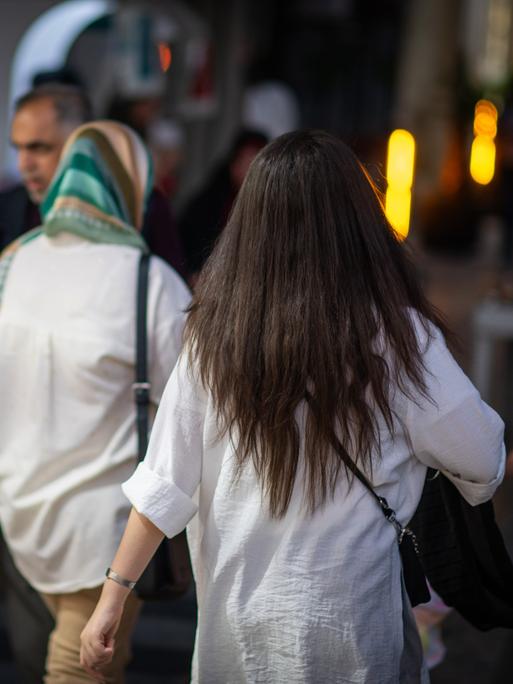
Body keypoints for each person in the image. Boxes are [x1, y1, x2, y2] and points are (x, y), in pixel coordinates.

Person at [80, 130, 505, 683]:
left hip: (238, 633)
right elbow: (481, 461)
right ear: (359, 223)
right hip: (352, 630)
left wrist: (111, 597)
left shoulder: (213, 337)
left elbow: (164, 483)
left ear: (250, 225)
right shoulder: (402, 338)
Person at [0, 121, 190, 682]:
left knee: (89, 661)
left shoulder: (12, 262)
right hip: (105, 533)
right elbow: (193, 403)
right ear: (133, 187)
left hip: (18, 512)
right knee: (85, 666)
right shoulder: (149, 281)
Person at [1, 84, 187, 278]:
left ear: (82, 145)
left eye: (39, 148)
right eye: (18, 149)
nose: (23, 164)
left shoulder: (145, 208)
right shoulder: (7, 208)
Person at [179, 128, 268, 282]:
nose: (249, 172)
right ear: (233, 165)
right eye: (244, 162)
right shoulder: (208, 205)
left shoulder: (274, 209)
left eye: (255, 165)